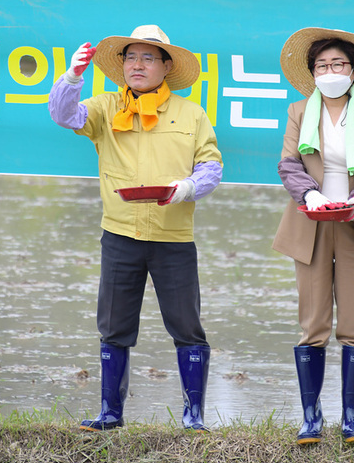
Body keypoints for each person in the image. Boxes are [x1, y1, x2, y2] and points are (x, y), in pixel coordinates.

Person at [48, 25, 222, 432]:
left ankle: (193, 416)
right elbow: (62, 114)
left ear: (166, 67)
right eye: (131, 57)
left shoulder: (191, 113)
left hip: (173, 237)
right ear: (121, 66)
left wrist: (188, 188)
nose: (137, 65)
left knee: (187, 326)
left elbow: (211, 166)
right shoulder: (106, 107)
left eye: (148, 57)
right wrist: (72, 76)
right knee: (114, 325)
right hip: (120, 234)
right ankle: (111, 413)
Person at [271, 28, 354, 445]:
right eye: (322, 65)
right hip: (312, 220)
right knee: (313, 322)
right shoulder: (298, 111)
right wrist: (311, 195)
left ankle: (352, 419)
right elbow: (289, 165)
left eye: (338, 64)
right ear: (312, 74)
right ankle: (310, 418)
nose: (331, 71)